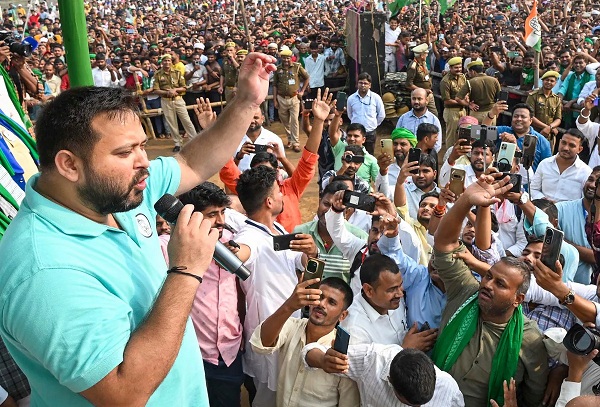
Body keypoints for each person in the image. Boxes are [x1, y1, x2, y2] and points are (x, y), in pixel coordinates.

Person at [0, 51, 276, 406]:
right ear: (69, 164)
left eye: (143, 146)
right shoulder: (42, 271)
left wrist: (245, 102)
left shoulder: (119, 193)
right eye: (124, 152)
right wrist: (186, 270)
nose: (144, 162)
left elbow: (191, 162)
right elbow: (124, 393)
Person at [432, 173, 549, 407]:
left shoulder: (529, 339)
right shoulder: (466, 292)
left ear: (518, 299)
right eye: (488, 276)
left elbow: (534, 397)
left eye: (500, 284)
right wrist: (466, 200)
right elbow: (445, 244)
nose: (487, 284)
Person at [234, 165, 318, 407]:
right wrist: (232, 252)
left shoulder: (277, 229)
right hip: (268, 338)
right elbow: (241, 253)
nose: (283, 195)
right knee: (268, 399)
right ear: (269, 202)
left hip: (290, 330)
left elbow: (304, 266)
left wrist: (312, 253)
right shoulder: (249, 237)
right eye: (279, 191)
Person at [178, 183, 244, 407]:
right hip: (192, 355)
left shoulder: (232, 244)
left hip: (230, 354)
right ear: (191, 216)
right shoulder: (172, 248)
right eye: (212, 214)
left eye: (223, 212)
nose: (221, 220)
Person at [250, 277, 360, 407]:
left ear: (343, 315)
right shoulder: (291, 326)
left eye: (331, 302)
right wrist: (289, 306)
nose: (321, 304)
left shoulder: (343, 352)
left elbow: (348, 403)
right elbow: (261, 344)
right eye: (319, 297)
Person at [302, 344, 464, 406]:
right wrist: (323, 360)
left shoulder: (448, 390)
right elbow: (310, 349)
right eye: (410, 404)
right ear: (390, 381)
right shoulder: (372, 361)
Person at [293, 181, 367, 282]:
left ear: (346, 211)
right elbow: (292, 268)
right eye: (326, 204)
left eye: (335, 207)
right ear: (319, 201)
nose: (329, 211)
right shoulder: (300, 232)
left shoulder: (359, 237)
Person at [483, 102, 553, 172]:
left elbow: (547, 168)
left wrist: (515, 147)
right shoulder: (502, 131)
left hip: (529, 178)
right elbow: (481, 134)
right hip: (499, 176)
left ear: (530, 120)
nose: (519, 119)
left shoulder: (542, 141)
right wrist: (491, 114)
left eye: (523, 117)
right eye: (516, 116)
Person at [530, 129, 592, 202]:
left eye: (571, 145)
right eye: (563, 143)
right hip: (541, 207)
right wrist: (543, 200)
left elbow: (585, 201)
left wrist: (562, 206)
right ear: (559, 142)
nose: (566, 148)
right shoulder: (545, 164)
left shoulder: (586, 172)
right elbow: (533, 189)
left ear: (579, 149)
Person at [153, 53, 198, 152]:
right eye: (165, 60)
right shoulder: (158, 74)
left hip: (178, 99)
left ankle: (194, 140)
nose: (167, 62)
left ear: (171, 62)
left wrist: (175, 90)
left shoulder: (177, 73)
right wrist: (167, 92)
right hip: (166, 101)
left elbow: (184, 87)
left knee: (186, 120)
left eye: (169, 60)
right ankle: (177, 143)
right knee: (172, 123)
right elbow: (156, 90)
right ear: (162, 62)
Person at [273, 48, 309, 152]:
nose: (286, 60)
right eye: (284, 58)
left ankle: (296, 143)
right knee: (285, 121)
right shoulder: (278, 69)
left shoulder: (297, 67)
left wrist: (302, 91)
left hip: (294, 98)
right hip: (281, 98)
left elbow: (307, 77)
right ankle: (290, 139)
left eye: (288, 58)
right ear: (281, 58)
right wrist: (275, 100)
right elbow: (275, 85)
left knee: (294, 121)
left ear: (291, 58)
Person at [233, 108, 285, 172]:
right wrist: (239, 156)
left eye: (256, 118)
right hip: (240, 177)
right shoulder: (233, 140)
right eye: (249, 117)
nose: (252, 121)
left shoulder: (274, 139)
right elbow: (228, 169)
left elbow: (281, 167)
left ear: (262, 119)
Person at [346, 72, 385, 154]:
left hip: (370, 133)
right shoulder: (351, 98)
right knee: (355, 154)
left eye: (365, 83)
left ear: (369, 85)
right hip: (355, 133)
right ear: (357, 84)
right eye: (360, 83)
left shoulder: (376, 98)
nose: (363, 85)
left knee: (369, 154)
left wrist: (373, 124)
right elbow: (350, 115)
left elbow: (381, 115)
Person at [395, 88, 442, 153]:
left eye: (419, 99)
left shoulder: (433, 120)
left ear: (426, 100)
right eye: (414, 99)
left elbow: (437, 144)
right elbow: (396, 138)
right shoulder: (403, 119)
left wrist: (426, 156)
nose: (416, 102)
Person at [456, 60, 501, 125]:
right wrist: (497, 111)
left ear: (473, 71)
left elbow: (458, 98)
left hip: (476, 114)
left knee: (475, 131)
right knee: (490, 131)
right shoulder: (494, 80)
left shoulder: (470, 82)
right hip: (491, 113)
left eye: (469, 72)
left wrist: (469, 104)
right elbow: (500, 98)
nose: (468, 74)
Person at [526, 70, 562, 150]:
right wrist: (548, 127)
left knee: (547, 155)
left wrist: (550, 127)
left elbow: (558, 119)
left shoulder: (556, 99)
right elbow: (530, 116)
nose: (549, 82)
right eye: (547, 80)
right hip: (533, 133)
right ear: (542, 81)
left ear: (555, 83)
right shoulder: (533, 96)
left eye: (552, 81)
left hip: (549, 135)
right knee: (530, 154)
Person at [440, 56, 467, 147]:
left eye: (460, 67)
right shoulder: (445, 81)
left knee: (463, 134)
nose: (458, 69)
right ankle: (449, 153)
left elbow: (466, 90)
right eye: (456, 68)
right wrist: (462, 102)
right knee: (451, 136)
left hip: (462, 110)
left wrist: (466, 98)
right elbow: (447, 101)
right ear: (450, 68)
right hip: (451, 112)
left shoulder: (462, 77)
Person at [405, 43, 437, 116]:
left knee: (434, 114)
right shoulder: (413, 66)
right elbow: (409, 84)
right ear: (421, 55)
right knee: (419, 113)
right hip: (419, 96)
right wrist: (423, 90)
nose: (427, 55)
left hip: (428, 94)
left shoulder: (423, 63)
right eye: (426, 54)